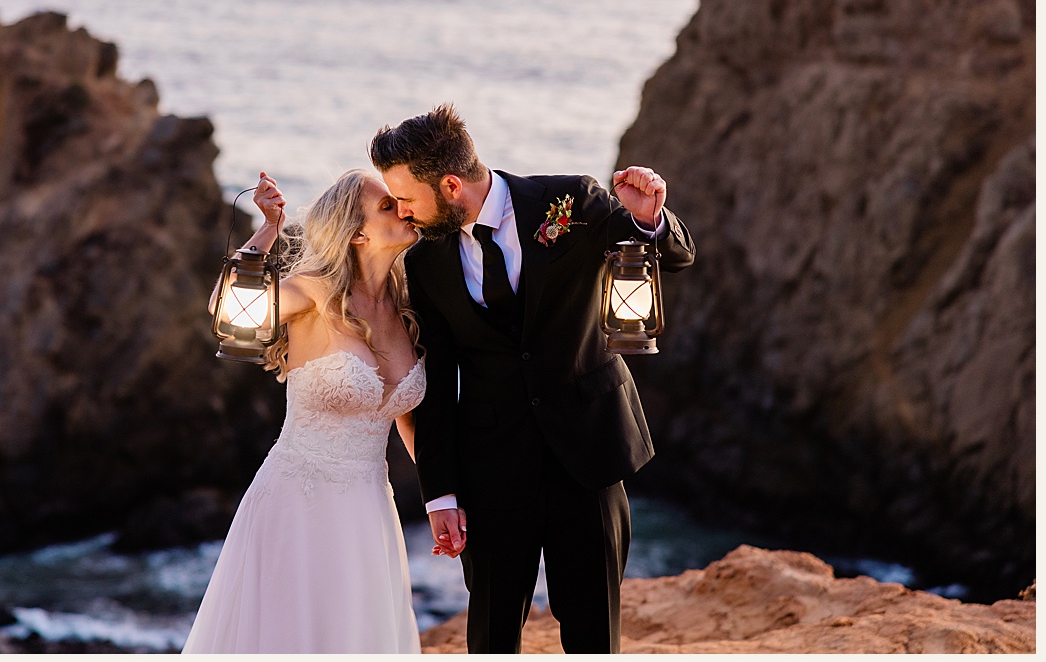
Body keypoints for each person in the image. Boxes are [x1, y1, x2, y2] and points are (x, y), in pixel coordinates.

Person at [369, 104, 694, 653]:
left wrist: (647, 219)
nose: (401, 213)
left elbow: (674, 255)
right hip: (491, 468)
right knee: (492, 634)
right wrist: (440, 492)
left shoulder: (569, 200)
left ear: (450, 185)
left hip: (588, 454)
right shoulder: (425, 263)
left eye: (406, 199)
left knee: (594, 630)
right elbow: (437, 381)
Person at [185, 169, 426, 652]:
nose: (403, 208)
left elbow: (404, 419)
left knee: (357, 635)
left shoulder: (408, 307)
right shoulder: (315, 292)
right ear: (356, 233)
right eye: (386, 206)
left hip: (370, 510)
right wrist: (269, 227)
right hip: (298, 503)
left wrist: (442, 497)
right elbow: (226, 311)